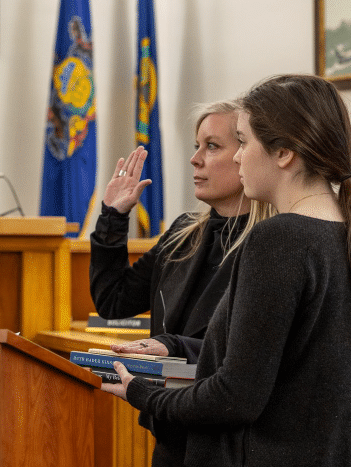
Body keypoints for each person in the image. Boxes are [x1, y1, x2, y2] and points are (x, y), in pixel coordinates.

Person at [102, 74, 351, 467]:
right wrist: (175, 349)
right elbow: (285, 365)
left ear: (283, 153)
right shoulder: (342, 230)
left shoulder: (278, 239)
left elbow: (235, 396)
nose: (238, 157)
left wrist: (140, 392)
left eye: (242, 142)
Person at [90, 101, 272, 359]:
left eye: (211, 146)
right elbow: (112, 301)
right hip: (165, 397)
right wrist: (113, 217)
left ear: (246, 154)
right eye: (196, 146)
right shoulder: (183, 232)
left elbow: (255, 354)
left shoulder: (272, 242)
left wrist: (177, 347)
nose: (195, 160)